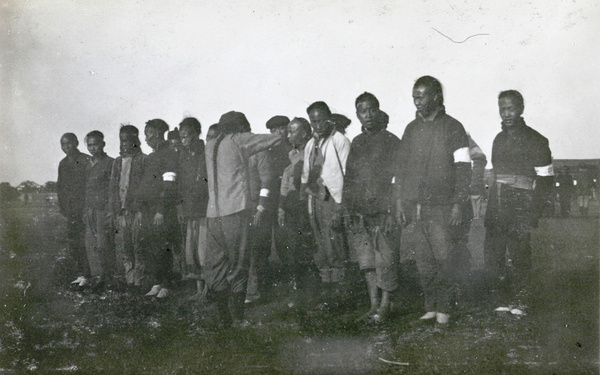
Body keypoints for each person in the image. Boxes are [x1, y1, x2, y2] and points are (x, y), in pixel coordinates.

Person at [395, 76, 471, 325]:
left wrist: (458, 203)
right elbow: (402, 169)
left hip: (443, 207)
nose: (416, 101)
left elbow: (463, 168)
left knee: (444, 260)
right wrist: (400, 201)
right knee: (424, 262)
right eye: (414, 96)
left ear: (436, 96)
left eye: (421, 95)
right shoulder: (411, 129)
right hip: (418, 208)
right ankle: (430, 308)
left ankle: (445, 312)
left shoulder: (454, 127)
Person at [205, 111, 283, 328]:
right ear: (240, 128)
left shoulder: (210, 144)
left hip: (212, 216)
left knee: (217, 267)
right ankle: (238, 318)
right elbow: (274, 138)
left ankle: (224, 319)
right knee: (239, 265)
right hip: (235, 213)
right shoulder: (238, 140)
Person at [484, 90, 554, 299]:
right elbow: (496, 174)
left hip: (522, 204)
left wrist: (533, 212)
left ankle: (521, 299)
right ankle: (500, 297)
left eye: (511, 108)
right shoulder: (498, 139)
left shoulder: (537, 140)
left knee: (520, 253)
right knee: (494, 252)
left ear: (521, 109)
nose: (506, 114)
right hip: (497, 202)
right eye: (502, 109)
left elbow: (545, 179)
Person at [343, 92, 402, 321]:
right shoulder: (357, 143)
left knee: (385, 259)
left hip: (383, 212)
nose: (367, 115)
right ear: (357, 114)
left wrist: (391, 211)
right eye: (362, 111)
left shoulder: (391, 141)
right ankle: (373, 304)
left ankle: (386, 306)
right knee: (367, 261)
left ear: (378, 111)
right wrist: (349, 208)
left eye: (371, 110)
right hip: (361, 212)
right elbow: (350, 178)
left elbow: (399, 179)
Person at [301, 101, 351, 297]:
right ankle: (327, 285)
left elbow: (346, 173)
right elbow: (306, 174)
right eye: (314, 122)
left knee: (335, 240)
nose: (318, 125)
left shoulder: (339, 140)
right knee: (320, 241)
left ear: (329, 118)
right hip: (315, 197)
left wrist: (341, 205)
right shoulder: (311, 144)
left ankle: (341, 287)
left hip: (333, 198)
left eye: (321, 120)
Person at [133, 119, 179, 298]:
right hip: (147, 210)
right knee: (151, 248)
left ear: (159, 133)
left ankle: (167, 284)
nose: (146, 138)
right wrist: (140, 209)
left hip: (161, 210)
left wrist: (161, 209)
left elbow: (169, 185)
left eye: (148, 134)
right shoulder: (152, 156)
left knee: (163, 248)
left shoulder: (169, 154)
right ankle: (157, 282)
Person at [278, 117, 315, 292]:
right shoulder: (291, 155)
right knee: (293, 244)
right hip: (292, 205)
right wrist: (281, 206)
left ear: (305, 133)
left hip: (307, 203)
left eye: (293, 131)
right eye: (288, 131)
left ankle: (313, 283)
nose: (289, 135)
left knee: (309, 244)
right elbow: (286, 183)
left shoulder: (313, 152)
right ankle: (298, 283)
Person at [108, 125, 146, 290]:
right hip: (122, 212)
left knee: (139, 245)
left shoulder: (143, 160)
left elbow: (146, 187)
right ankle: (129, 279)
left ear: (135, 141)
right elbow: (112, 187)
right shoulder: (117, 162)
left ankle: (140, 279)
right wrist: (114, 211)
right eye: (122, 140)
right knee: (125, 246)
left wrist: (142, 210)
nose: (124, 144)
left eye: (128, 140)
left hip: (137, 211)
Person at [177, 117, 209, 299]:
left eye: (187, 136)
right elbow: (180, 184)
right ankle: (198, 289)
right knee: (192, 250)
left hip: (204, 209)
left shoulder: (204, 153)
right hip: (189, 210)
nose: (184, 140)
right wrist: (181, 208)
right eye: (181, 137)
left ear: (197, 134)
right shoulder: (182, 155)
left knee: (203, 249)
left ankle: (208, 288)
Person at [57, 133, 91, 287]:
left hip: (85, 208)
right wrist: (64, 208)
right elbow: (60, 188)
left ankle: (90, 274)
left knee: (87, 242)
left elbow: (89, 186)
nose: (66, 147)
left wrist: (86, 208)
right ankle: (81, 273)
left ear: (76, 143)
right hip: (70, 210)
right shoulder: (63, 163)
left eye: (69, 143)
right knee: (74, 243)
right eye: (63, 144)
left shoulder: (85, 160)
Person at [83, 131, 115, 291]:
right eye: (89, 145)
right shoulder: (87, 163)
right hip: (89, 208)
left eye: (95, 144)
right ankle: (97, 276)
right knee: (91, 244)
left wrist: (110, 210)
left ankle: (106, 277)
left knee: (104, 244)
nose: (92, 148)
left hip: (103, 209)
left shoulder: (111, 162)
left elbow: (112, 189)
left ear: (103, 144)